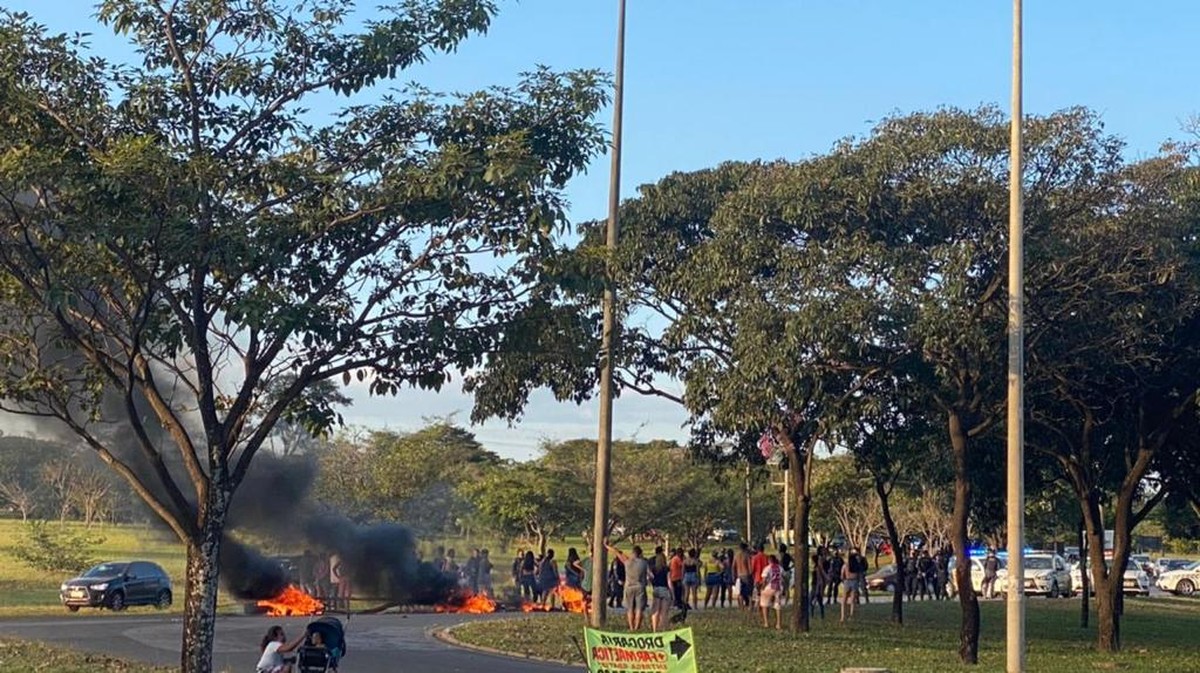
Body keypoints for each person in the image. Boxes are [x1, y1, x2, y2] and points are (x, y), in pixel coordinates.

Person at [606, 543, 650, 631]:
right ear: (640, 554)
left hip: (629, 586)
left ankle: (631, 627)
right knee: (639, 609)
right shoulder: (644, 563)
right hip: (640, 587)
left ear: (633, 553)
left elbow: (617, 552)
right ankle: (637, 627)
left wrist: (607, 546)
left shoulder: (627, 561)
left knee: (630, 609)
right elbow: (649, 574)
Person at [840, 547, 866, 624]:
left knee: (844, 600)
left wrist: (843, 580)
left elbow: (842, 575)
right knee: (852, 600)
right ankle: (851, 615)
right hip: (854, 581)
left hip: (847, 581)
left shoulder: (846, 565)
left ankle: (842, 617)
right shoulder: (856, 565)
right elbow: (859, 573)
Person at [649, 550, 673, 632]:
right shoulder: (666, 569)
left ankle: (655, 629)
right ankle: (663, 628)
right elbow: (669, 581)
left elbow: (650, 578)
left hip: (656, 589)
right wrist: (672, 592)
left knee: (655, 610)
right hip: (664, 589)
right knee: (664, 612)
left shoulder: (654, 569)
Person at [759, 554, 784, 629]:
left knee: (765, 605)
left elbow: (764, 580)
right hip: (778, 587)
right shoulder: (780, 568)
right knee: (777, 606)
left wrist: (762, 588)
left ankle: (766, 623)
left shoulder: (767, 568)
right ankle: (778, 624)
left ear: (769, 561)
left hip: (769, 587)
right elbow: (783, 577)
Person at [733, 543, 754, 609]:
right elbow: (750, 567)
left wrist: (734, 575)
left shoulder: (736, 556)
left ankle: (741, 606)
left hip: (739, 575)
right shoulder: (747, 555)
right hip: (746, 575)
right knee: (749, 592)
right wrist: (751, 574)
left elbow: (733, 566)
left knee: (740, 592)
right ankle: (750, 606)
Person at [810, 546, 828, 619]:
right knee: (817, 598)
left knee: (815, 598)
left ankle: (815, 614)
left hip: (818, 583)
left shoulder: (819, 566)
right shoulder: (816, 566)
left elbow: (821, 574)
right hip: (816, 583)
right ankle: (818, 614)